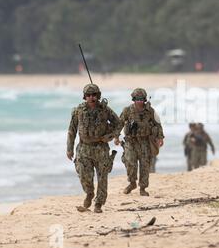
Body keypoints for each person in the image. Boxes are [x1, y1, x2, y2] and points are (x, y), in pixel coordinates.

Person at [66, 84, 121, 213]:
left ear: (98, 96)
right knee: (84, 175)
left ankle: (98, 204)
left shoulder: (105, 110)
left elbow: (118, 124)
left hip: (101, 148)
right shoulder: (78, 111)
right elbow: (71, 130)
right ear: (84, 97)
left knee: (102, 177)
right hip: (84, 148)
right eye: (89, 95)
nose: (91, 98)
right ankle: (89, 193)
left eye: (94, 95)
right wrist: (69, 148)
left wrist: (110, 136)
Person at [115, 88, 164, 196]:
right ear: (133, 99)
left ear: (145, 99)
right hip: (131, 142)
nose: (140, 101)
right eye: (137, 99)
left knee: (145, 166)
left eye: (142, 99)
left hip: (145, 142)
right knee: (130, 162)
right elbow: (120, 123)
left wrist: (160, 138)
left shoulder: (150, 111)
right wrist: (116, 136)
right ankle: (132, 183)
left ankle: (143, 188)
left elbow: (158, 124)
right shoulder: (127, 110)